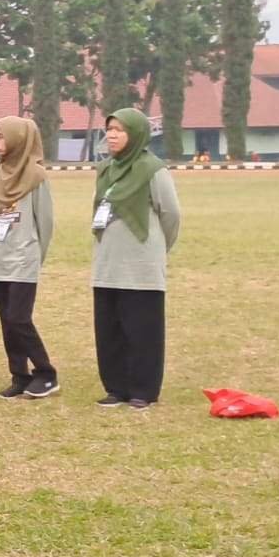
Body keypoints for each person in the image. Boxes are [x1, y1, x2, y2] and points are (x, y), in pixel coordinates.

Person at [91, 108, 180, 410]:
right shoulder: (105, 170)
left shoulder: (153, 169)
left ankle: (144, 389)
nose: (112, 135)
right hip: (107, 263)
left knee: (143, 330)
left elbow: (171, 214)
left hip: (141, 265)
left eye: (120, 129)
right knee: (109, 330)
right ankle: (115, 387)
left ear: (138, 133)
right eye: (110, 128)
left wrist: (154, 251)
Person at [0, 117, 58, 399]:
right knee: (7, 320)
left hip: (22, 258)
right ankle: (19, 375)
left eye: (1, 137)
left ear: (19, 138)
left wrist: (33, 257)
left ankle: (46, 373)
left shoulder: (36, 176)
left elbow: (45, 223)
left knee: (19, 318)